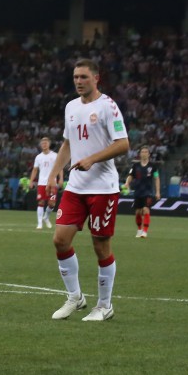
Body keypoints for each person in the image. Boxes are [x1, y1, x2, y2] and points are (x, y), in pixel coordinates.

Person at [48, 58, 129, 322]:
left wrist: (92, 159)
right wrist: (54, 172)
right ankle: (75, 297)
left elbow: (123, 144)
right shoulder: (71, 107)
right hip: (76, 187)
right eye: (75, 77)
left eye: (84, 77)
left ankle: (104, 305)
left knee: (100, 245)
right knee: (60, 240)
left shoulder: (108, 106)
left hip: (103, 188)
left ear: (96, 78)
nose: (79, 82)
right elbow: (68, 144)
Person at [124, 145, 160, 238]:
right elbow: (130, 176)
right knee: (138, 212)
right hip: (138, 192)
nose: (144, 153)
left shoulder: (153, 166)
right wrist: (127, 183)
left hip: (148, 192)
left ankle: (145, 231)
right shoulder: (135, 166)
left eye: (146, 152)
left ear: (149, 154)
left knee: (146, 210)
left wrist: (157, 192)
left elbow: (156, 178)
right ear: (140, 154)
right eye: (142, 152)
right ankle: (139, 229)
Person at [29, 136, 59, 229]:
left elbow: (60, 168)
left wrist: (61, 179)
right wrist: (31, 181)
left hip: (52, 183)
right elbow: (35, 170)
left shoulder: (55, 155)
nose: (44, 144)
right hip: (42, 183)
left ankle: (46, 217)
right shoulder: (38, 157)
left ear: (49, 144)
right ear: (40, 145)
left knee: (52, 204)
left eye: (46, 143)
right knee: (41, 202)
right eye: (42, 143)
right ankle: (39, 223)